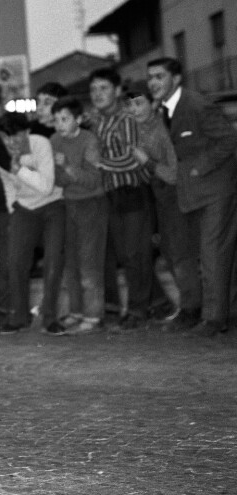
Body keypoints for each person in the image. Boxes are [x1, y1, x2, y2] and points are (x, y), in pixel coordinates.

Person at [147, 57, 237, 337]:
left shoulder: (197, 105)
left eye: (159, 76)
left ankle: (214, 319)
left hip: (215, 191)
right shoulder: (163, 109)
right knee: (217, 255)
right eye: (150, 77)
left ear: (176, 79)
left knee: (212, 255)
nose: (153, 82)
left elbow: (229, 139)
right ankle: (227, 312)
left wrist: (200, 166)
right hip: (193, 194)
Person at [125, 84, 195, 324]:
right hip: (158, 196)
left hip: (175, 194)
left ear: (153, 104)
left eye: (139, 103)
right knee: (169, 251)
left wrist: (147, 163)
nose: (134, 109)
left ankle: (193, 308)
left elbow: (173, 174)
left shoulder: (162, 129)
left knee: (179, 253)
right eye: (130, 104)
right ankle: (189, 307)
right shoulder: (138, 129)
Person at [90, 67, 152, 330]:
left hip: (133, 193)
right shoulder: (98, 121)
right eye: (94, 89)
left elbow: (133, 159)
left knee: (135, 254)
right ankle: (153, 304)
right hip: (112, 195)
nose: (97, 94)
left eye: (103, 88)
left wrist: (100, 163)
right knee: (126, 256)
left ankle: (138, 310)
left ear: (117, 91)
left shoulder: (126, 119)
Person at [0, 112, 65, 334]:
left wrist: (20, 170)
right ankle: (19, 316)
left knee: (53, 261)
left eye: (15, 136)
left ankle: (50, 318)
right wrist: (13, 210)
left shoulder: (41, 144)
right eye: (5, 137)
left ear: (27, 132)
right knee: (15, 261)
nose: (11, 142)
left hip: (52, 205)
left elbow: (46, 186)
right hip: (24, 208)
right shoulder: (1, 152)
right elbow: (8, 186)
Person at [50, 97, 106, 333]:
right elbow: (57, 179)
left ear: (79, 119)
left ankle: (93, 315)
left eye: (64, 119)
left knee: (89, 261)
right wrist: (65, 173)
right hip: (68, 204)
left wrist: (68, 168)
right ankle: (76, 310)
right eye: (56, 120)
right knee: (71, 262)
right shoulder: (55, 140)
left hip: (91, 204)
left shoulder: (89, 140)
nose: (59, 125)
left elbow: (94, 179)